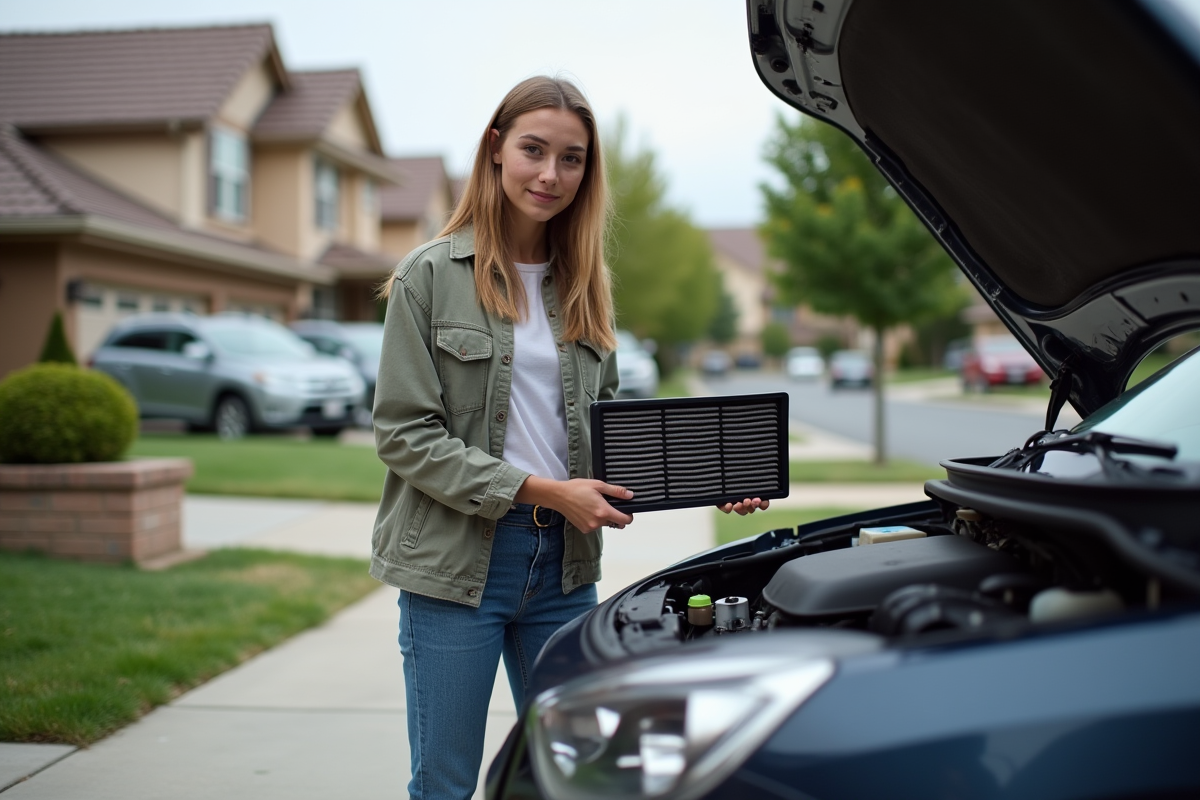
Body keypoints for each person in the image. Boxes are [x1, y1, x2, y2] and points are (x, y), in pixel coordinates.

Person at [371, 75, 767, 800]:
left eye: (572, 158)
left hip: (564, 568)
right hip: (456, 567)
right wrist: (539, 489)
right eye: (533, 150)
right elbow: (403, 434)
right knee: (445, 782)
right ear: (495, 150)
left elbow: (608, 433)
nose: (551, 175)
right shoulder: (429, 275)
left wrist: (716, 476)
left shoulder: (585, 284)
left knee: (580, 778)